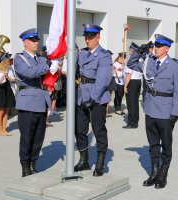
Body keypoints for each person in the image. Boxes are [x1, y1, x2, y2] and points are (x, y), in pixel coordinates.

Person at [127, 34, 178, 189]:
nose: (156, 49)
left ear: (166, 49)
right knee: (153, 144)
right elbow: (131, 64)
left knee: (166, 144)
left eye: (159, 46)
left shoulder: (174, 65)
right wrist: (140, 52)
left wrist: (176, 113)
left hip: (166, 111)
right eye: (155, 46)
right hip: (150, 108)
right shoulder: (149, 62)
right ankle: (154, 172)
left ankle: (163, 174)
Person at [74, 24, 112, 177]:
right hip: (82, 95)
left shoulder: (104, 55)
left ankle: (101, 163)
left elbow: (103, 79)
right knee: (80, 130)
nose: (87, 39)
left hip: (97, 98)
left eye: (90, 37)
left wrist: (93, 98)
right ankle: (84, 161)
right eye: (85, 36)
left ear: (98, 37)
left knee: (99, 130)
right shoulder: (82, 53)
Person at [14, 28, 51, 177]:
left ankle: (33, 163)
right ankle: (25, 165)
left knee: (38, 136)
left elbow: (43, 70)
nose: (36, 43)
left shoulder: (40, 59)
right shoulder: (19, 58)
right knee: (27, 136)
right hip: (28, 101)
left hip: (41, 101)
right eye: (33, 40)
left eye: (37, 41)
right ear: (25, 43)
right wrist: (46, 65)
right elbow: (30, 72)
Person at [0, 53, 16, 136]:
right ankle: (0, 130)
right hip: (0, 91)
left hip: (7, 90)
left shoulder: (9, 69)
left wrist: (8, 78)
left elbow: (13, 80)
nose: (9, 62)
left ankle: (4, 130)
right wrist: (0, 80)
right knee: (0, 111)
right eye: (8, 61)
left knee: (6, 111)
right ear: (3, 61)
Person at [123, 42, 142, 128]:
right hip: (138, 82)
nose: (129, 52)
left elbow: (128, 75)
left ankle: (132, 123)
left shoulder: (131, 60)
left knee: (131, 104)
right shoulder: (139, 60)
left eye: (130, 50)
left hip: (132, 83)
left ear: (132, 51)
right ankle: (135, 120)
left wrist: (125, 86)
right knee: (135, 103)